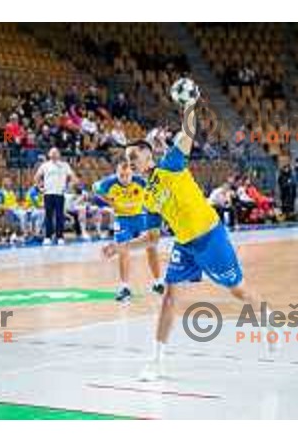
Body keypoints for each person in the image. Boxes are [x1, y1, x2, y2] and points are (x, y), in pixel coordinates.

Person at [105, 103, 276, 381]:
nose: (129, 162)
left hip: (211, 238)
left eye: (133, 156)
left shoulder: (170, 164)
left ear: (148, 155)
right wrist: (119, 247)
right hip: (185, 246)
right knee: (170, 298)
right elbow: (151, 238)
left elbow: (188, 131)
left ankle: (268, 323)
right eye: (126, 158)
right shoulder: (147, 198)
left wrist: (189, 106)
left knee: (239, 291)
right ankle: (157, 360)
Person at [96, 161, 163, 302]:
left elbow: (156, 192)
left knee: (151, 247)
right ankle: (124, 287)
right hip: (122, 219)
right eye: (121, 175)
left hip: (140, 216)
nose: (125, 178)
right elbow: (95, 188)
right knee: (123, 250)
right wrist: (108, 200)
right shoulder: (109, 183)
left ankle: (158, 283)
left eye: (127, 175)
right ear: (117, 173)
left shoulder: (140, 182)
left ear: (132, 173)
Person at [34, 147, 76, 246]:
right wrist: (40, 188)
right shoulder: (45, 165)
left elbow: (73, 177)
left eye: (56, 152)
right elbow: (36, 177)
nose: (53, 154)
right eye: (52, 152)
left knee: (59, 216)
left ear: (59, 154)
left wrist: (69, 186)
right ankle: (47, 237)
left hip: (59, 194)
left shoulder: (65, 165)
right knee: (48, 216)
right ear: (49, 154)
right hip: (48, 194)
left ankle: (60, 237)